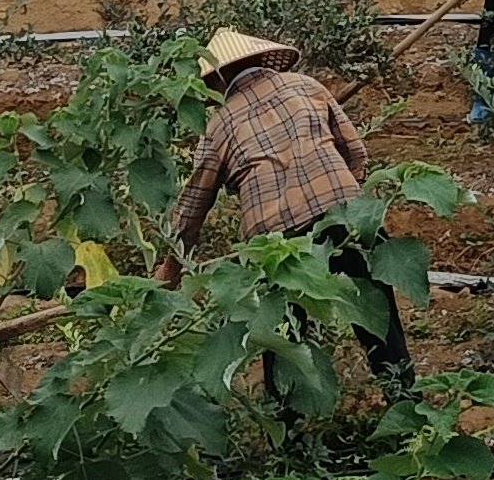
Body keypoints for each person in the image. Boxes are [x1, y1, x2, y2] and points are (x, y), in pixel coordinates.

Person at [171, 27, 417, 387]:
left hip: (277, 244)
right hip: (345, 216)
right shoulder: (307, 86)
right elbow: (357, 154)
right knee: (378, 318)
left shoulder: (219, 123)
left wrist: (172, 263)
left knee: (284, 334)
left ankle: (291, 429)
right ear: (261, 60)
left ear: (218, 80)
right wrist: (345, 198)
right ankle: (406, 406)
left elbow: (195, 201)